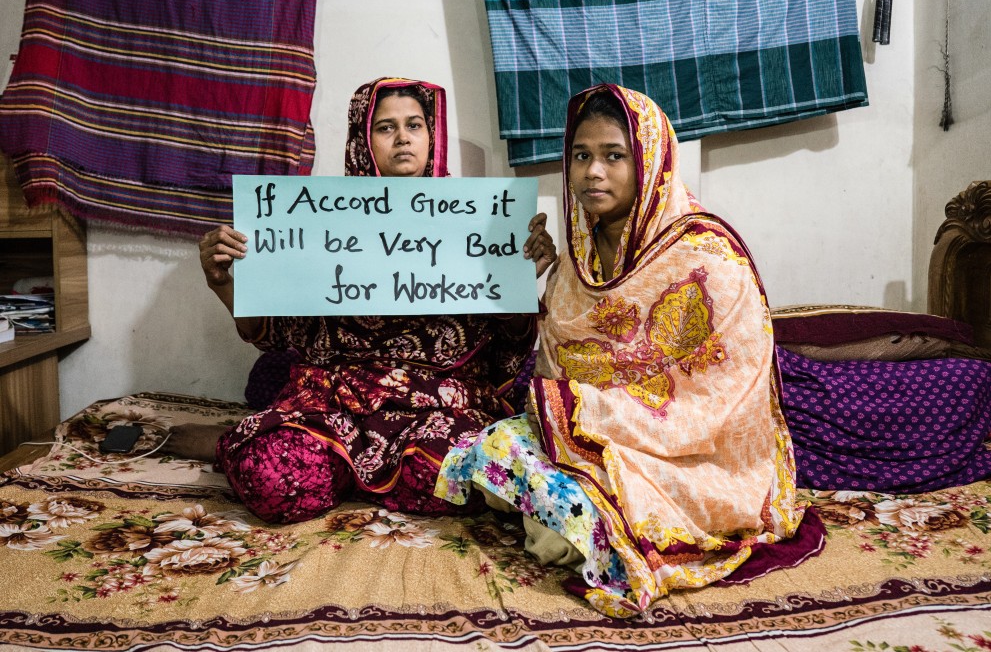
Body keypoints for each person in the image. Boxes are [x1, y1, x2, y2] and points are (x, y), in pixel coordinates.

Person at [436, 84, 807, 617]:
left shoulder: (710, 259)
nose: (592, 172)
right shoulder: (577, 259)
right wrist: (528, 280)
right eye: (581, 156)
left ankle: (584, 516)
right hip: (597, 436)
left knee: (549, 531)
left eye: (614, 156)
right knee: (491, 449)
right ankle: (569, 506)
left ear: (651, 161)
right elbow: (558, 361)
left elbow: (724, 401)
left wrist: (601, 417)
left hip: (686, 455)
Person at [169, 77, 557, 524]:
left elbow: (506, 349)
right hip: (330, 402)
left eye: (415, 125)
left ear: (432, 137)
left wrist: (521, 276)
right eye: (385, 127)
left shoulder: (481, 220)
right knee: (272, 481)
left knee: (470, 481)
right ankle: (252, 443)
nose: (403, 138)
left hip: (436, 406)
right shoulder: (317, 217)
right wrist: (221, 281)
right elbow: (274, 332)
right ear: (362, 140)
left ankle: (355, 470)